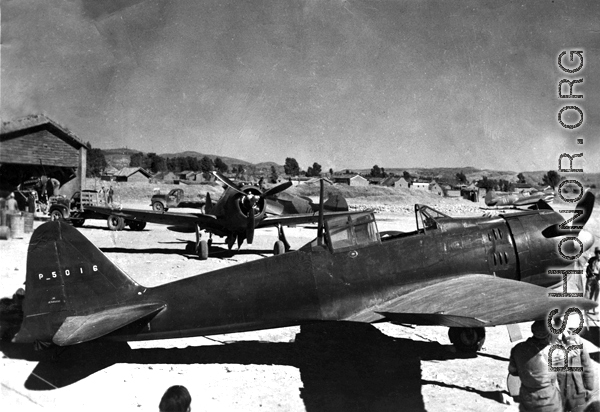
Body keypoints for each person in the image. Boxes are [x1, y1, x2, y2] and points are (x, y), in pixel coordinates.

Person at [508, 320, 562, 412]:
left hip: (527, 399)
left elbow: (513, 371)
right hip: (550, 400)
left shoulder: (518, 348)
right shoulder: (556, 351)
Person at [556, 316, 599, 412]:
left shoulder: (576, 340)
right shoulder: (548, 343)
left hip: (577, 389)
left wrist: (589, 385)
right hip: (559, 392)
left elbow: (586, 364)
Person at [585, 247, 599, 314]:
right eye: (597, 253)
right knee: (588, 292)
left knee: (595, 293)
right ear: (595, 253)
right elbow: (587, 267)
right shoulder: (591, 259)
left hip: (598, 278)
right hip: (591, 277)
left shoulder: (592, 259)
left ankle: (593, 308)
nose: (598, 254)